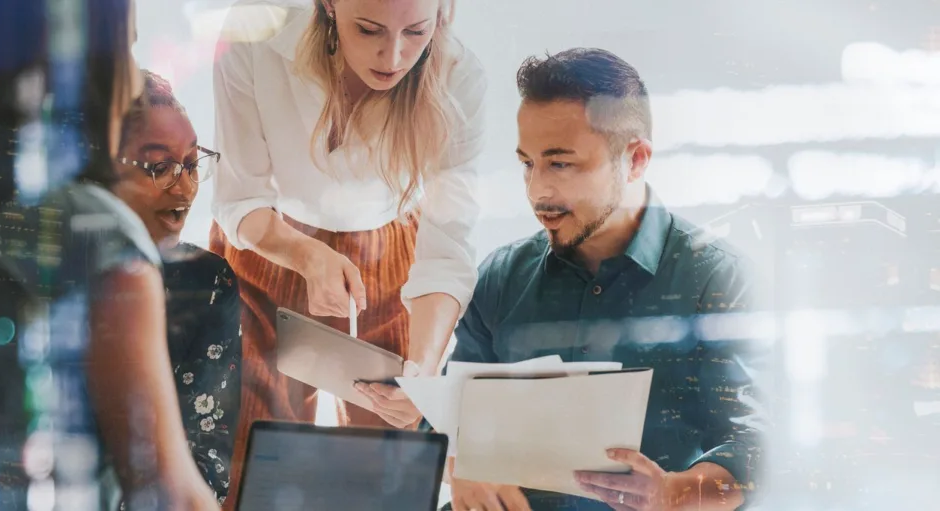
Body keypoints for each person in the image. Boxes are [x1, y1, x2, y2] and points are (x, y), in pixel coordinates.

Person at [444, 48, 769, 511]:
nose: (537, 191)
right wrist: (460, 468)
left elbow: (756, 448)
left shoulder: (717, 277)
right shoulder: (499, 276)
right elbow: (450, 415)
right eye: (527, 163)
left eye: (561, 164)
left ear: (635, 159)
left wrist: (670, 494)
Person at [209, 0, 486, 506]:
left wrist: (423, 371)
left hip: (394, 259)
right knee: (244, 462)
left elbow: (447, 250)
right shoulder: (256, 28)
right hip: (267, 244)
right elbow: (238, 199)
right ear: (328, 5)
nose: (393, 55)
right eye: (369, 29)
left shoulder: (460, 76)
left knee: (390, 469)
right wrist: (307, 255)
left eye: (416, 31)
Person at [0, 0, 220, 509]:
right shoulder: (97, 233)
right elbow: (170, 494)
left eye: (191, 163)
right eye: (127, 44)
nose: (181, 186)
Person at [112, 70, 241, 505]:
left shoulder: (207, 282)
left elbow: (208, 462)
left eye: (190, 164)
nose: (184, 188)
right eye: (160, 167)